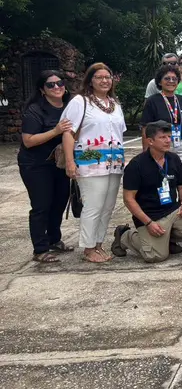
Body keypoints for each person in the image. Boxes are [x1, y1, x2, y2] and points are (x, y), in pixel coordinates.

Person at [62, 63, 126, 263]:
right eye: (99, 77)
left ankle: (98, 244)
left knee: (108, 207)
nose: (104, 80)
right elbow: (68, 133)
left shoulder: (115, 104)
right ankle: (89, 248)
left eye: (108, 77)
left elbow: (119, 133)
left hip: (114, 163)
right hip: (89, 164)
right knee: (93, 206)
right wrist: (70, 162)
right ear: (90, 80)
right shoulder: (80, 102)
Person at [111, 121, 182, 262]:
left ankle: (166, 240)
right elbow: (128, 199)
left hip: (172, 210)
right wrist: (148, 223)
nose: (168, 141)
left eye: (169, 136)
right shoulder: (136, 165)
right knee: (155, 256)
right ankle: (125, 235)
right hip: (150, 216)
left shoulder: (173, 159)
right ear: (150, 141)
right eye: (163, 137)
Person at [18, 70, 73, 263]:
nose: (57, 87)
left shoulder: (69, 106)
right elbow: (29, 141)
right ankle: (40, 249)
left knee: (59, 202)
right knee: (42, 205)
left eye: (59, 83)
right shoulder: (35, 110)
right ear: (42, 89)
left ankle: (54, 239)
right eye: (51, 85)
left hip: (60, 162)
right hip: (36, 164)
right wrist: (55, 131)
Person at [141, 64, 182, 192]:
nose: (171, 81)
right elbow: (145, 128)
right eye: (167, 78)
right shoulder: (152, 101)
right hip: (159, 147)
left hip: (181, 147)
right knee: (163, 184)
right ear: (160, 81)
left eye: (174, 78)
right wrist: (146, 151)